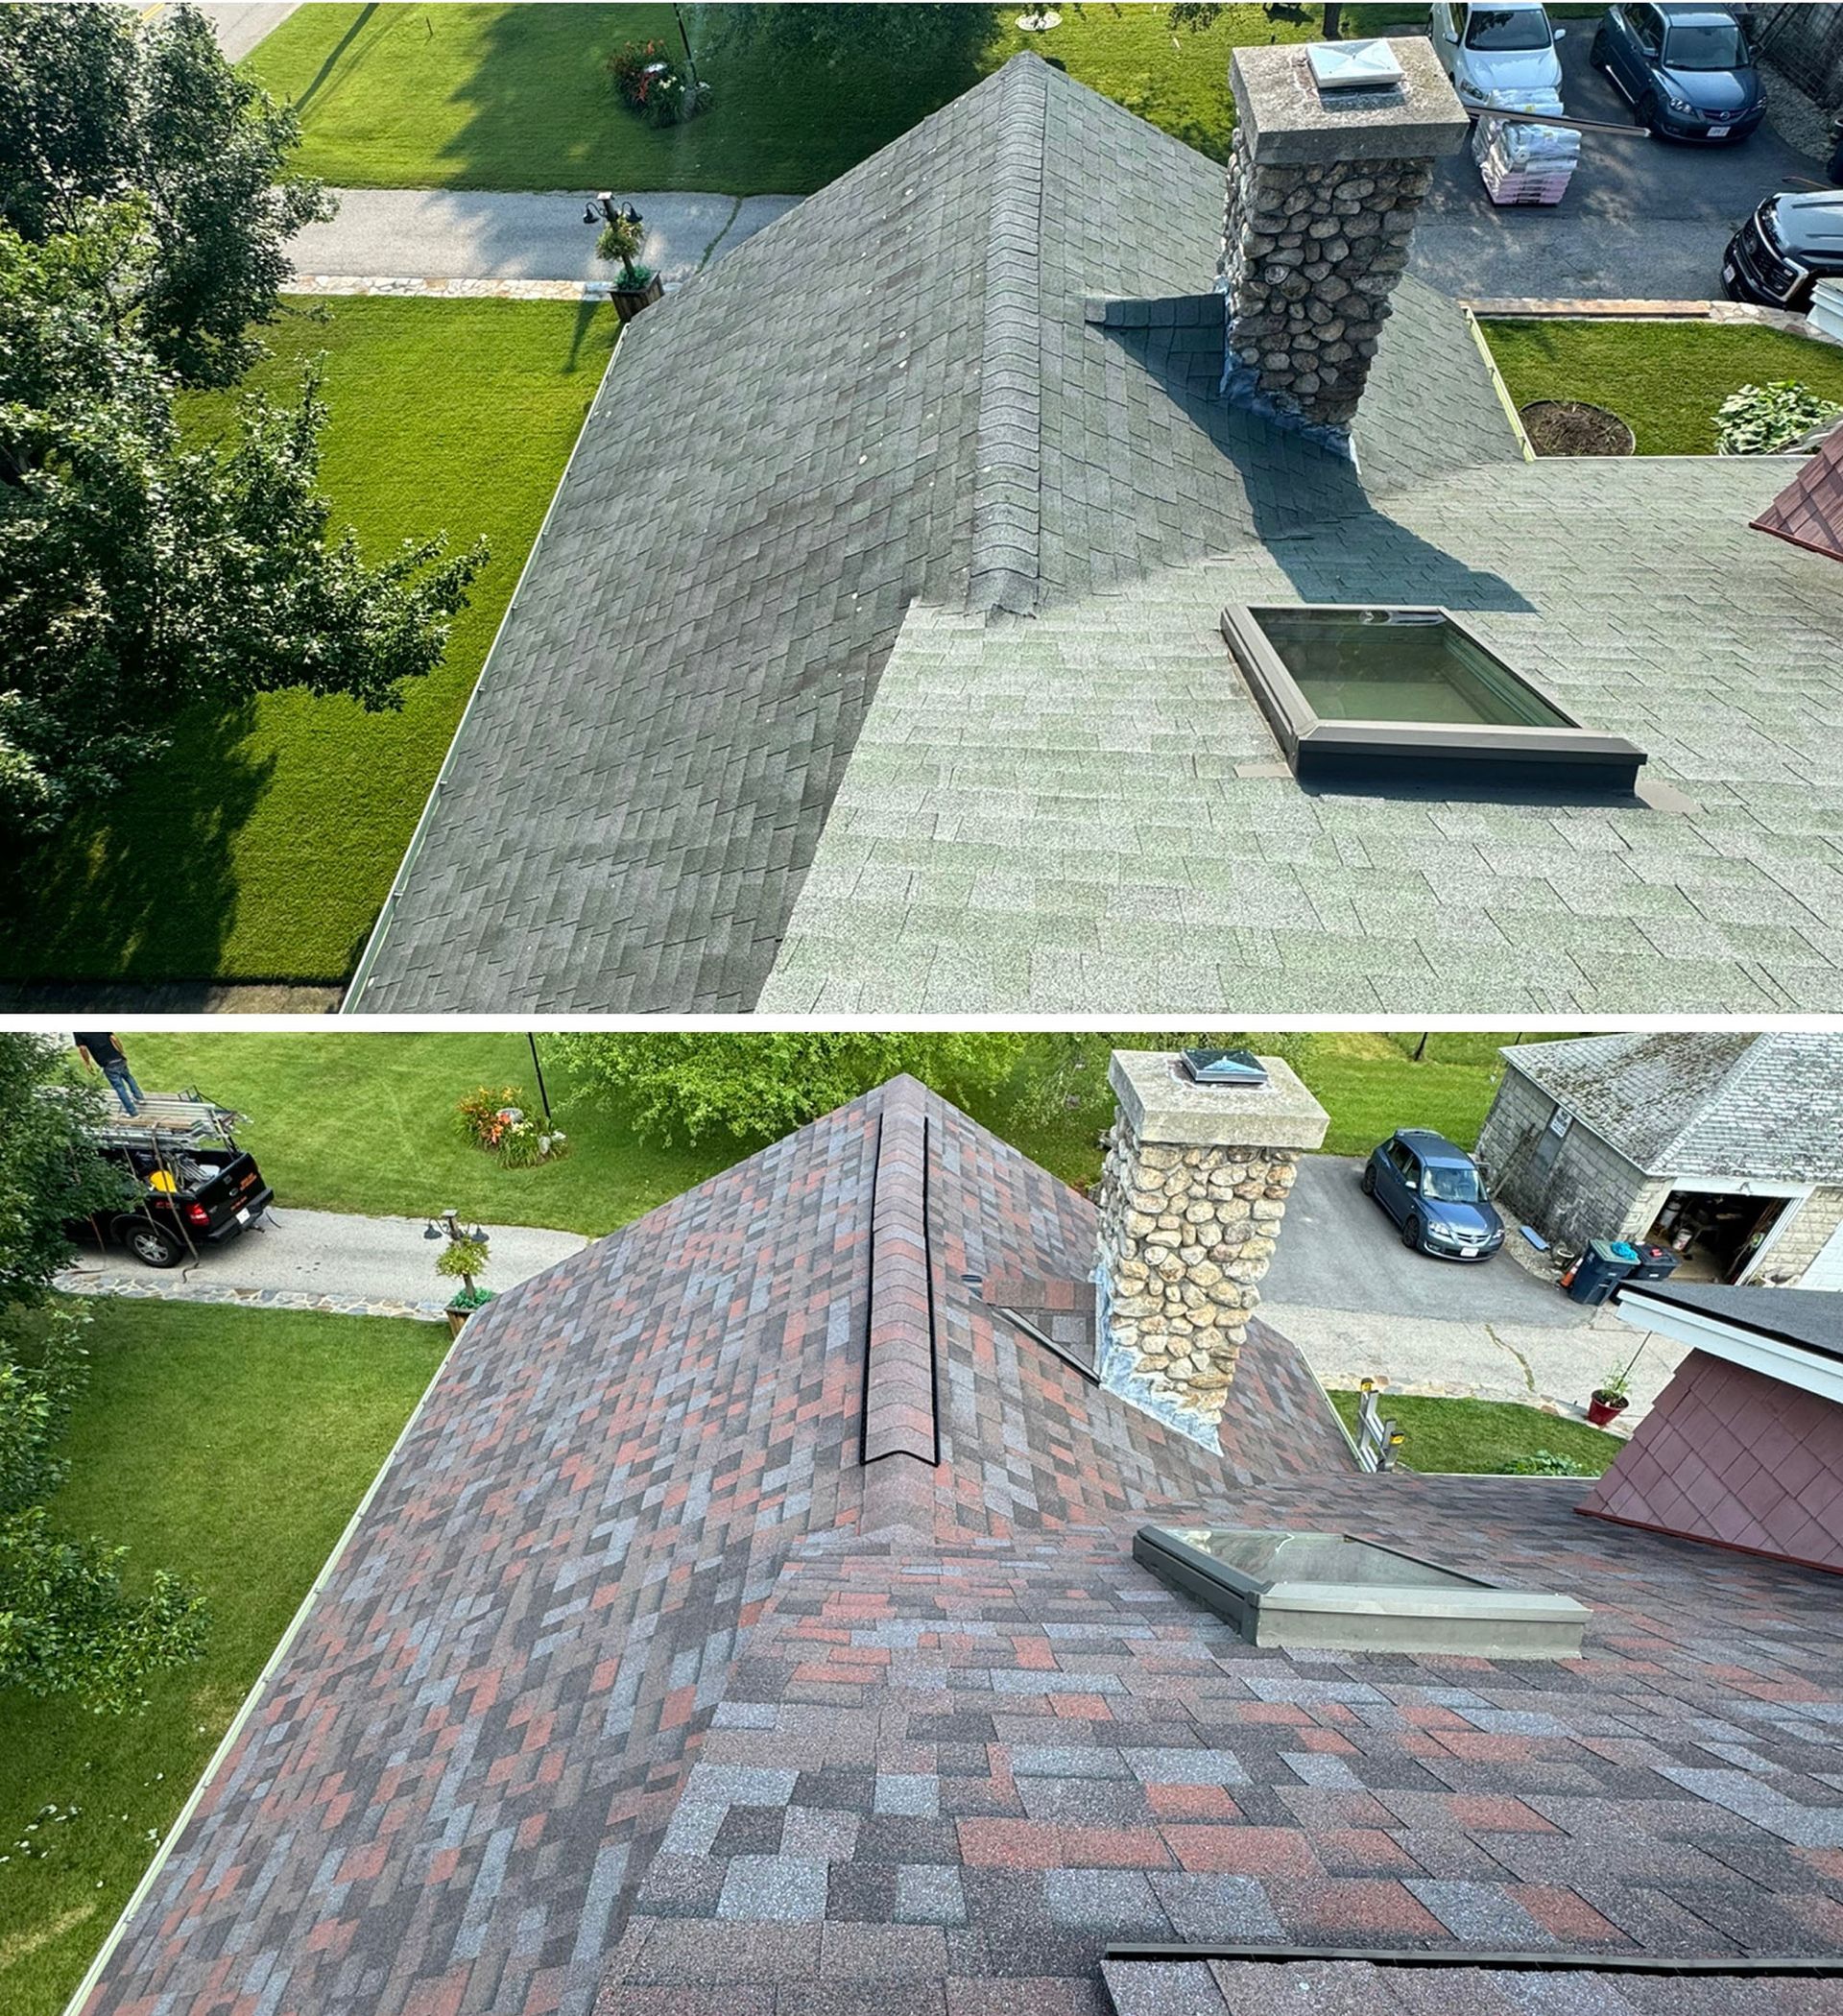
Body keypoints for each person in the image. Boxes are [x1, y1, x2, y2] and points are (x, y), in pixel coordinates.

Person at [74, 1031, 145, 1116]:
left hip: (107, 1064)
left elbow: (83, 1049)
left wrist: (87, 1063)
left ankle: (133, 1113)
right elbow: (114, 1038)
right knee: (128, 1077)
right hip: (118, 1058)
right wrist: (121, 1052)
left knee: (120, 1088)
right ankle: (139, 1097)